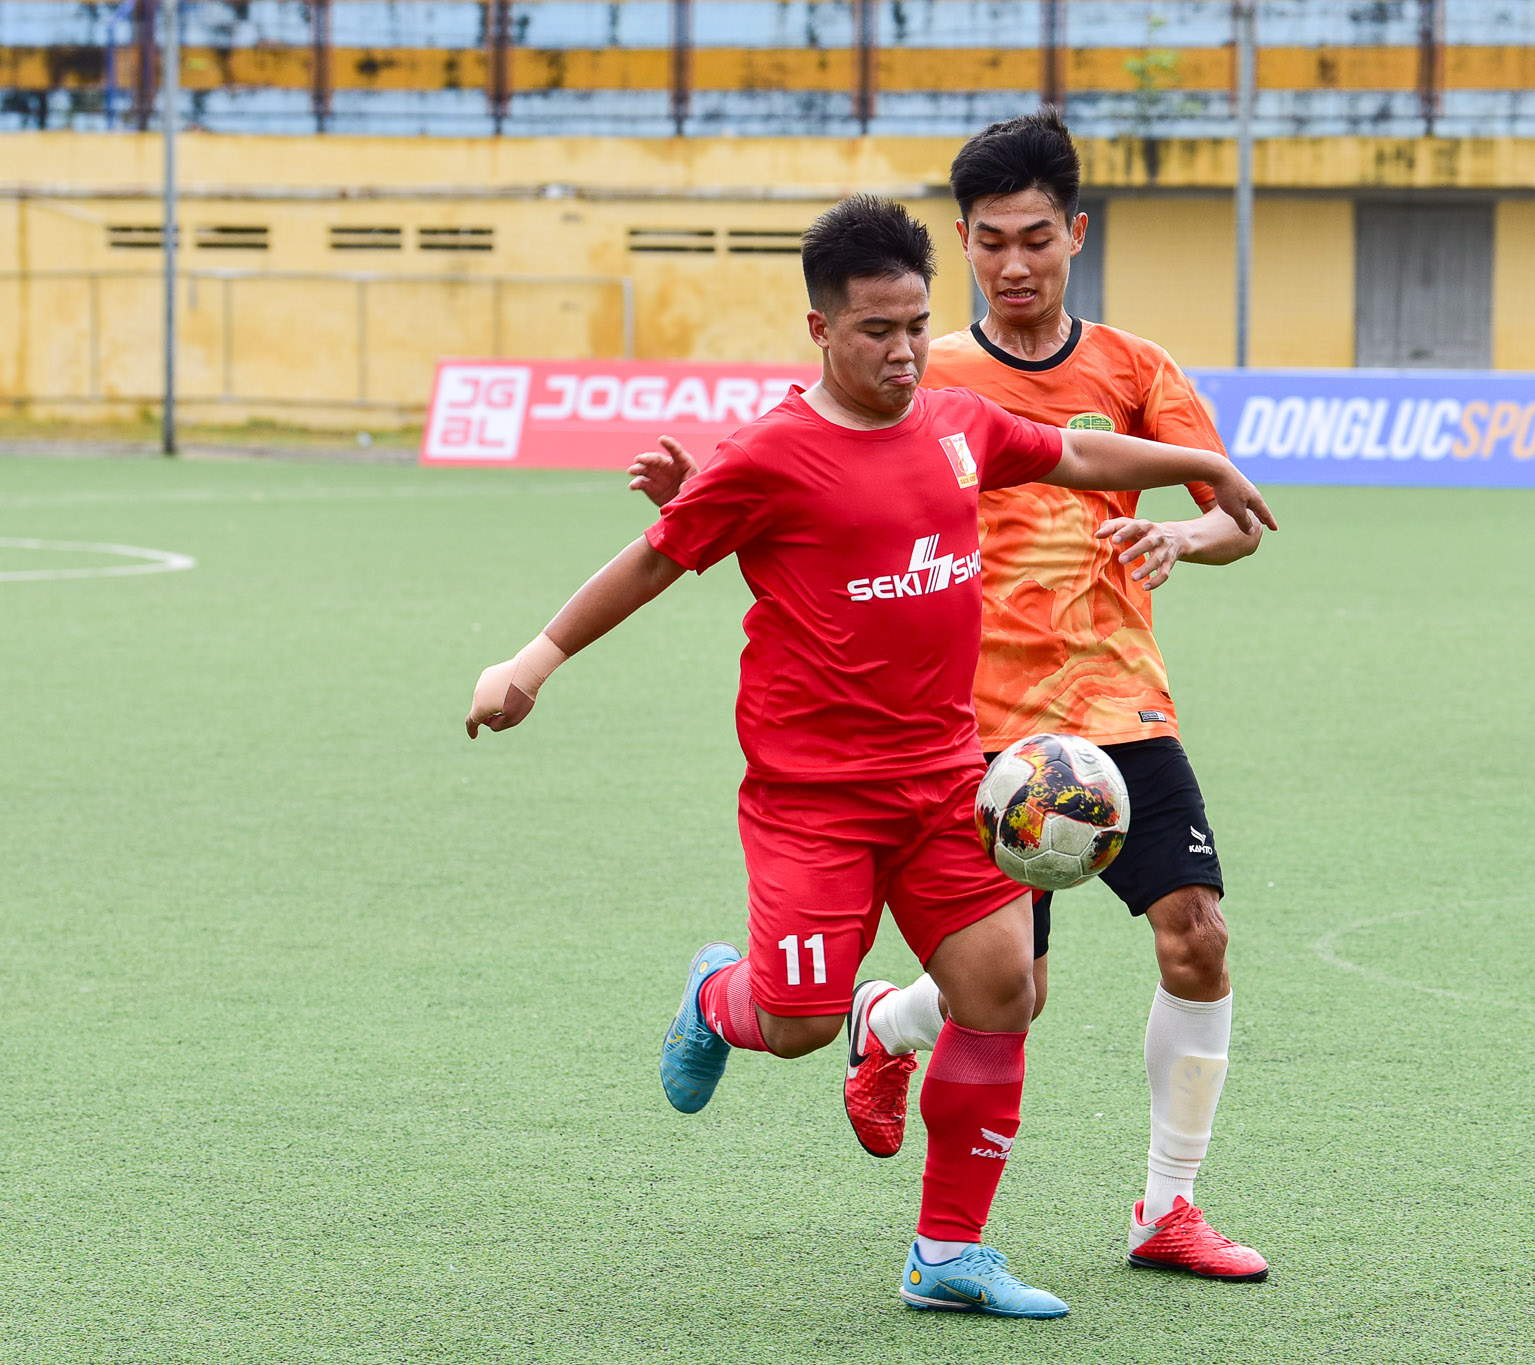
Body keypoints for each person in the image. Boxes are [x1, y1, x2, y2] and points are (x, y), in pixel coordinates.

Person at [471, 194, 1274, 1319]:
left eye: (915, 327)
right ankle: (714, 996)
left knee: (1002, 991)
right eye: (875, 331)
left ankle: (948, 1253)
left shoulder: (957, 423)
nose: (903, 352)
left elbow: (1075, 451)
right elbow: (654, 559)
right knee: (798, 1025)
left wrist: (1204, 469)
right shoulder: (769, 454)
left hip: (948, 780)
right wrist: (531, 661)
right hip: (813, 802)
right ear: (820, 329)